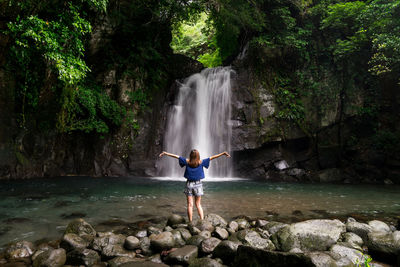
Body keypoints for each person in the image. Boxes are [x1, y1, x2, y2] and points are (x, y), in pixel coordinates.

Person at [159, 149, 230, 222]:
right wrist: (223, 153)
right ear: (198, 156)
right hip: (198, 184)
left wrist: (165, 153)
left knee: (190, 205)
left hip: (189, 184)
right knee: (198, 204)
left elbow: (176, 156)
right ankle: (202, 220)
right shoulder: (201, 162)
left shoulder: (187, 162)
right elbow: (213, 157)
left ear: (190, 156)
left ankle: (190, 221)